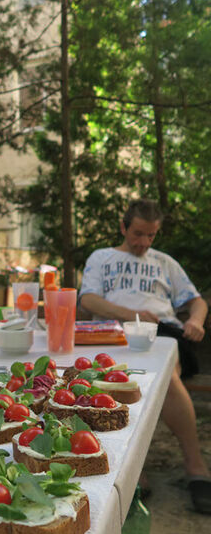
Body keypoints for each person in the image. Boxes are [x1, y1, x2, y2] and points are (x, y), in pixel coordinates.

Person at [79, 198, 210, 514]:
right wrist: (132, 314)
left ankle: (195, 466)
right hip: (113, 335)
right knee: (116, 381)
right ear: (123, 227)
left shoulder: (165, 262)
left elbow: (196, 301)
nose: (143, 242)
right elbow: (90, 300)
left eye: (150, 236)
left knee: (165, 375)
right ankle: (135, 469)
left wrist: (195, 321)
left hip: (162, 334)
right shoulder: (102, 257)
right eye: (138, 234)